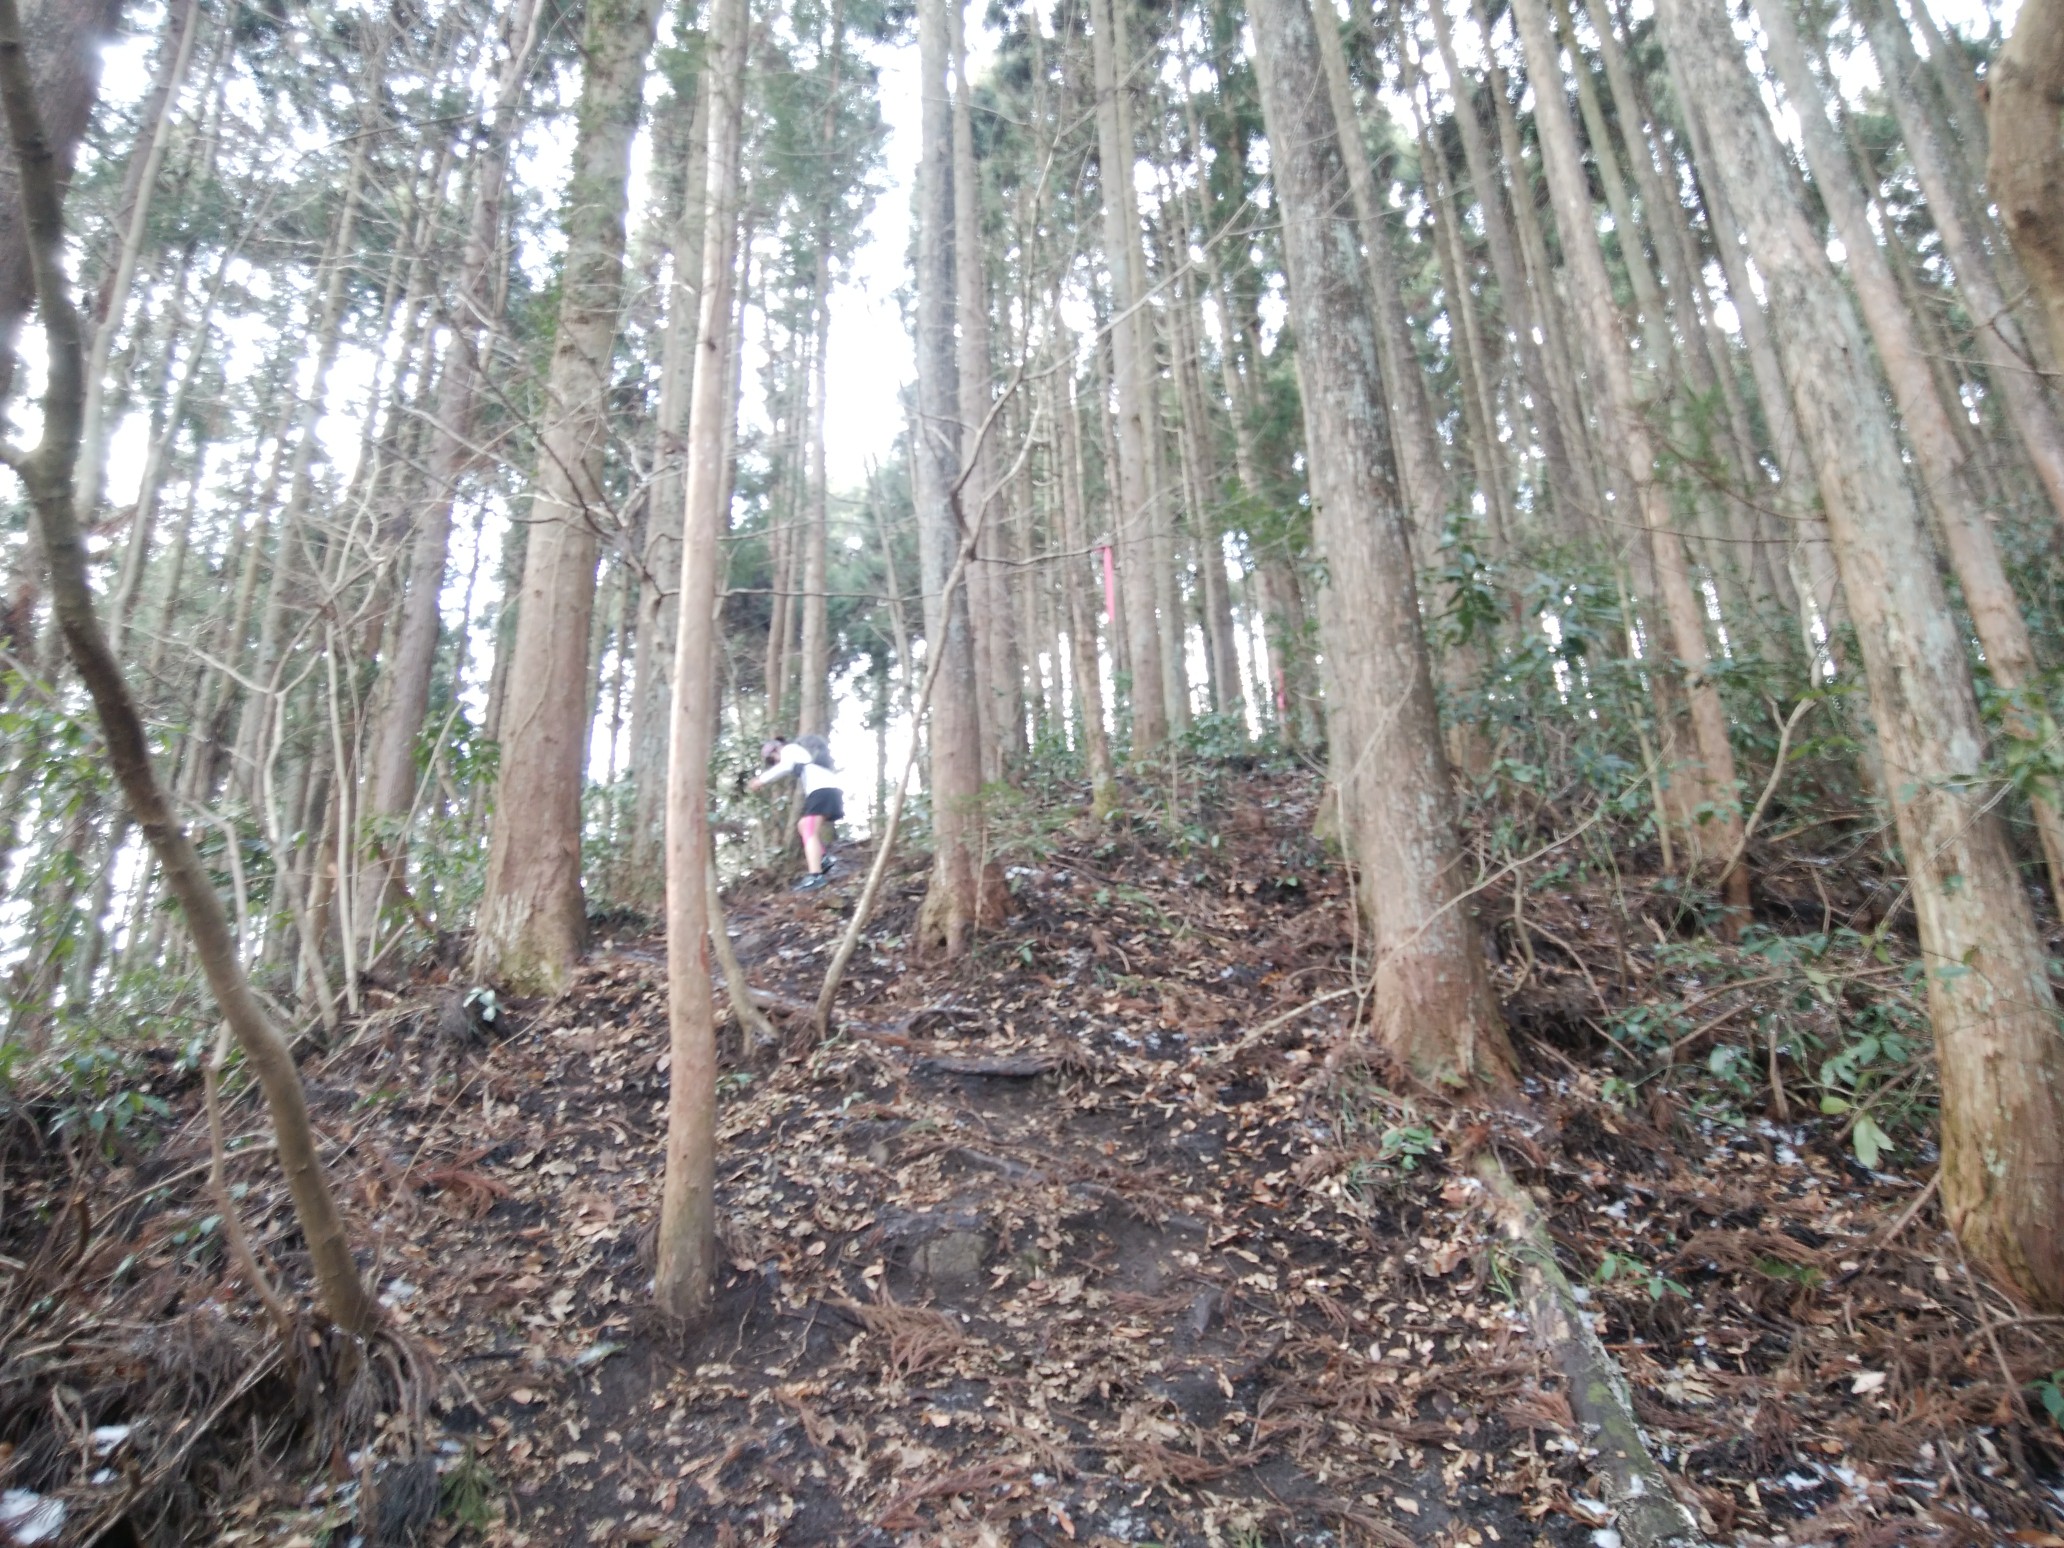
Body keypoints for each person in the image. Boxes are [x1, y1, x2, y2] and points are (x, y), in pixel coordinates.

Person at [750, 734, 843, 890]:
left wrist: (761, 780)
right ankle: (822, 858)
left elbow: (785, 766)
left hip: (822, 790)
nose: (775, 761)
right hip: (825, 790)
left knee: (809, 829)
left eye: (773, 758)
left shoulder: (790, 749)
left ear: (776, 749)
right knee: (803, 824)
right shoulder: (800, 752)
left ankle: (816, 876)